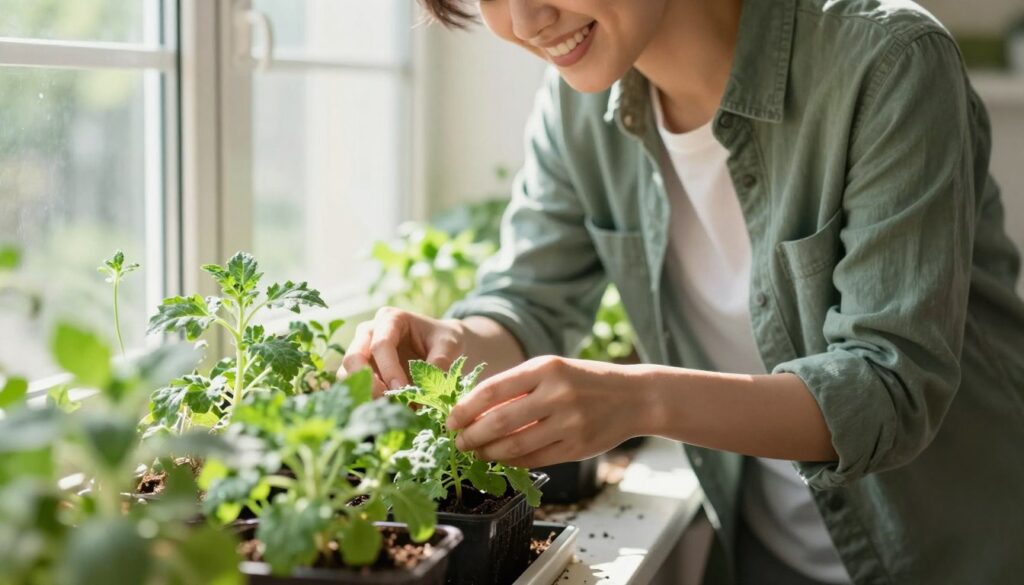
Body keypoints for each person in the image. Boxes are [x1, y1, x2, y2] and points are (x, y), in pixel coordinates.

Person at [340, 0, 1024, 583]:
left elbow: (887, 389)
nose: (524, 20)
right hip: (767, 560)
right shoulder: (579, 108)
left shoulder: (888, 62)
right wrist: (451, 342)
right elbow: (528, 300)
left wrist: (637, 397)